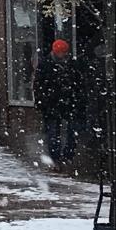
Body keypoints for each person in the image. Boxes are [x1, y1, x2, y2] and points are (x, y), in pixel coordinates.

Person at [34, 38, 85, 169]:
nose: (63, 55)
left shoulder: (67, 65)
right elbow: (39, 85)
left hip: (65, 102)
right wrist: (42, 100)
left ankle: (65, 156)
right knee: (54, 132)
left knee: (69, 131)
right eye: (61, 52)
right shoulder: (47, 65)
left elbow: (79, 84)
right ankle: (57, 158)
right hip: (54, 102)